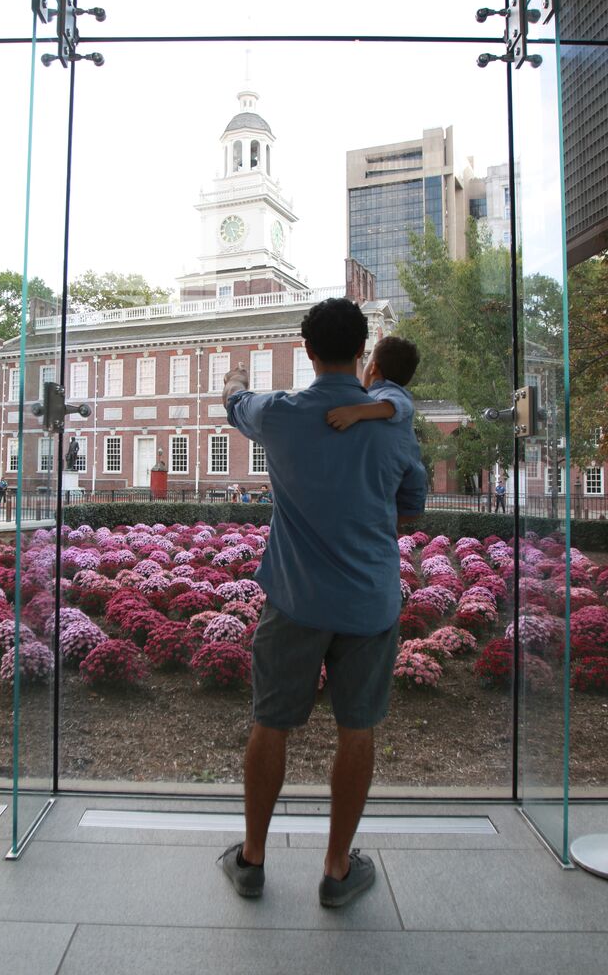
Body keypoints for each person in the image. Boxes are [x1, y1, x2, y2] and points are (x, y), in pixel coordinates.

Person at [218, 297, 426, 908]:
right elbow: (411, 508)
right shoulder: (392, 421)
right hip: (369, 603)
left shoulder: (280, 415)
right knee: (356, 731)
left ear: (308, 352)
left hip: (295, 599)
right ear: (363, 352)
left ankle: (252, 861)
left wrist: (235, 380)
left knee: (271, 724)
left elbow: (236, 404)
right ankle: (337, 870)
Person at [325, 335, 419, 431]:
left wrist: (355, 412)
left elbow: (401, 404)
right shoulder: (378, 392)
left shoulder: (390, 391)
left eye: (368, 362)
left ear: (373, 368)